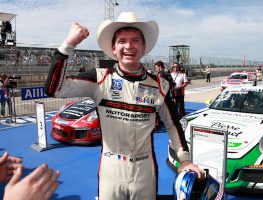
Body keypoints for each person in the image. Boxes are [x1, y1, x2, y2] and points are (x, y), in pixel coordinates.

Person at [44, 11, 204, 200]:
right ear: (113, 47)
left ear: (144, 46)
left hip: (145, 169)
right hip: (111, 168)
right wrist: (68, 45)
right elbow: (54, 89)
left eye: (135, 40)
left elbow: (173, 124)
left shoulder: (160, 85)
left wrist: (184, 160)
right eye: (122, 41)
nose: (129, 46)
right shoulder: (100, 78)